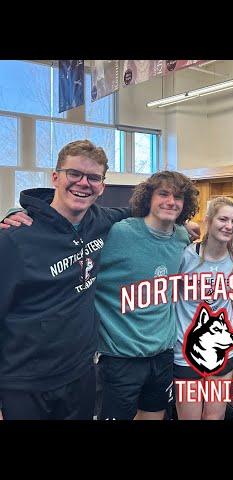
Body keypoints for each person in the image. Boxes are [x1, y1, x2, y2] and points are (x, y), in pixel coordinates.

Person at [0, 140, 130, 420]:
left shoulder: (100, 220)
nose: (83, 183)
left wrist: (181, 222)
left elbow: (142, 212)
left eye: (93, 178)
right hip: (24, 384)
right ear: (56, 177)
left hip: (80, 374)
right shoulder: (14, 238)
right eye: (75, 174)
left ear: (102, 186)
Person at [96, 171, 199, 420]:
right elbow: (71, 225)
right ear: (148, 198)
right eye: (163, 194)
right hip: (121, 354)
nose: (170, 201)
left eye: (178, 197)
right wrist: (18, 214)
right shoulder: (119, 232)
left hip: (163, 351)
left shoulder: (181, 236)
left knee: (154, 415)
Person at [173, 196, 233, 420]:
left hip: (222, 352)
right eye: (223, 219)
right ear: (208, 220)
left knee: (215, 416)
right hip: (186, 351)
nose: (228, 226)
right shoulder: (185, 255)